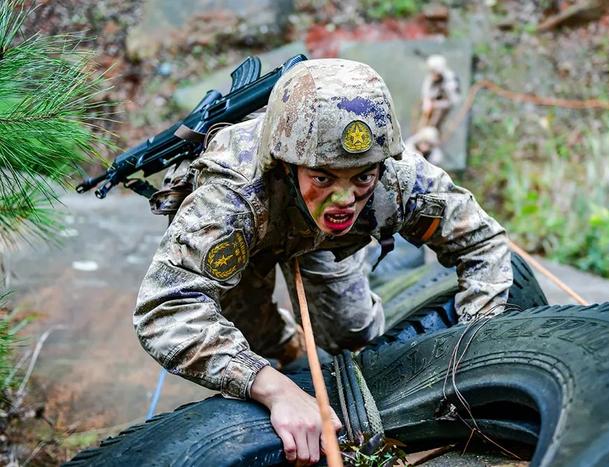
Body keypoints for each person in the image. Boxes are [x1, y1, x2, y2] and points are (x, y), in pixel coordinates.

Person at [134, 58, 512, 465]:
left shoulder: (399, 179)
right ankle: (285, 351)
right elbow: (166, 309)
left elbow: (481, 240)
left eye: (362, 177)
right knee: (250, 334)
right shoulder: (232, 196)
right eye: (323, 177)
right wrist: (274, 388)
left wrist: (475, 340)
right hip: (253, 239)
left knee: (352, 332)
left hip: (330, 246)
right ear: (286, 165)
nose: (344, 200)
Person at [420, 54, 460, 130]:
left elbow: (453, 100)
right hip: (429, 111)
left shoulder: (450, 80)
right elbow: (426, 93)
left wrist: (436, 104)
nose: (432, 74)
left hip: (443, 111)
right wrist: (427, 101)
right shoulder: (430, 78)